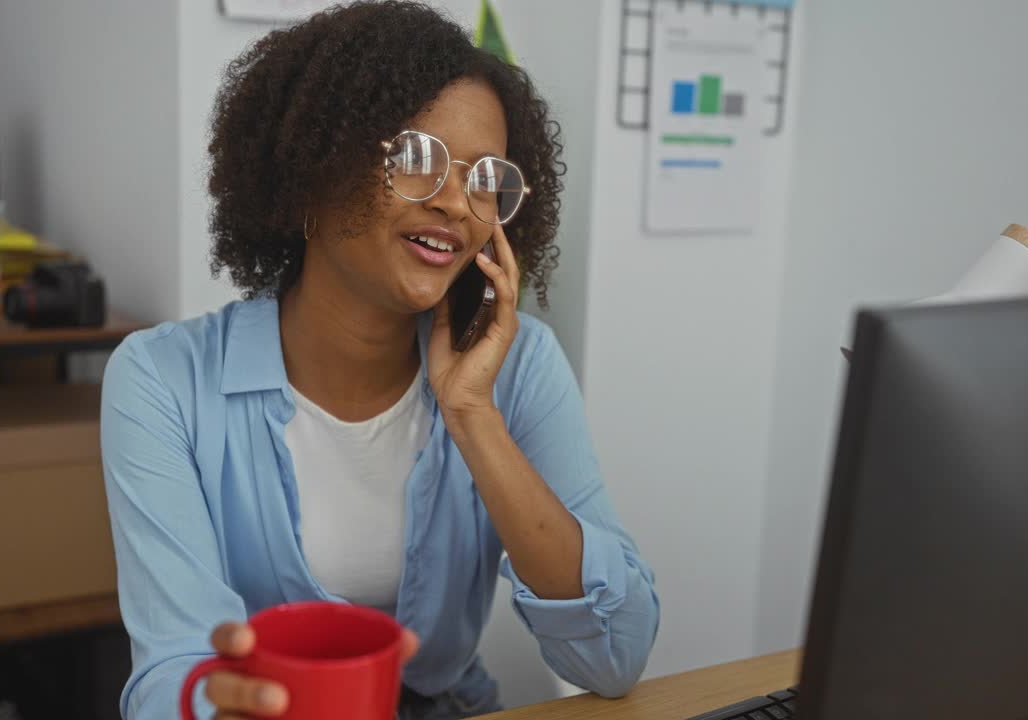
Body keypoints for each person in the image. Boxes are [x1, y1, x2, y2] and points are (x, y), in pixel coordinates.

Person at [100, 2, 659, 718]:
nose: (459, 204)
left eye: (486, 178)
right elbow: (170, 673)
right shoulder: (163, 383)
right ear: (314, 166)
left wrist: (472, 416)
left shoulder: (518, 368)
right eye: (417, 159)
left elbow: (615, 658)